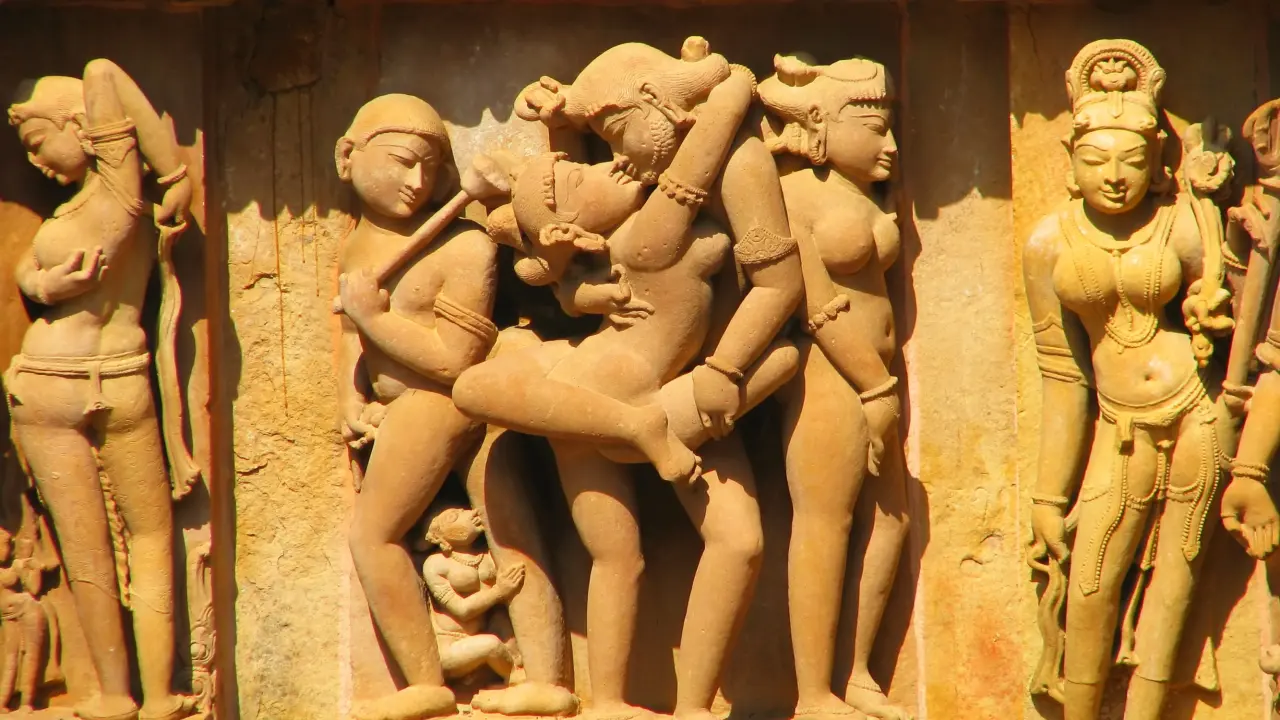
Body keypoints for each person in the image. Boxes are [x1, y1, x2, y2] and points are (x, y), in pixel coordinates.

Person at [453, 61, 765, 720]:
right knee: (477, 389)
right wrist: (731, 79)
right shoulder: (652, 232)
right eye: (581, 174)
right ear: (571, 227)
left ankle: (635, 704)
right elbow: (707, 137)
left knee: (622, 558)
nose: (608, 166)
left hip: (620, 400)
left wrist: (564, 123)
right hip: (619, 394)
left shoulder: (619, 233)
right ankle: (629, 702)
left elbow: (576, 200)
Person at [1023, 40, 1235, 720]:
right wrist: (1049, 496)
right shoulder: (1049, 244)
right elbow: (1063, 373)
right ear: (1070, 160)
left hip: (1196, 414)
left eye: (1133, 161)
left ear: (1157, 160)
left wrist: (1212, 303)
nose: (1114, 177)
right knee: (1089, 586)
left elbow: (1221, 309)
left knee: (1174, 585)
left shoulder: (1180, 223)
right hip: (1119, 425)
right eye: (1096, 160)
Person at [6, 60, 198, 720]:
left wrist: (173, 172)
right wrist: (40, 284)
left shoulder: (119, 188)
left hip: (71, 382)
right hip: (91, 382)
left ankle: (128, 696)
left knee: (128, 542)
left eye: (38, 142)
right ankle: (143, 695)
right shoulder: (99, 204)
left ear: (78, 124)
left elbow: (102, 70)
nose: (34, 162)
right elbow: (28, 270)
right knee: (132, 543)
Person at [757, 54, 911, 720]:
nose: (891, 144)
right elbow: (816, 306)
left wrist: (882, 389)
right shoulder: (792, 196)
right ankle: (814, 693)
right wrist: (874, 390)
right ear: (819, 125)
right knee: (824, 524)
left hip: (878, 381)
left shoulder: (863, 192)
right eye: (875, 128)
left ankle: (857, 672)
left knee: (893, 523)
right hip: (833, 377)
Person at [421, 506, 524, 684]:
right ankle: (515, 675)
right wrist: (499, 591)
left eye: (463, 511)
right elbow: (462, 610)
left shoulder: (487, 555)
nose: (470, 515)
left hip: (486, 629)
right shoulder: (435, 565)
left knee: (502, 622)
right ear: (441, 536)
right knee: (490, 645)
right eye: (454, 517)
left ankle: (520, 666)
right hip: (451, 644)